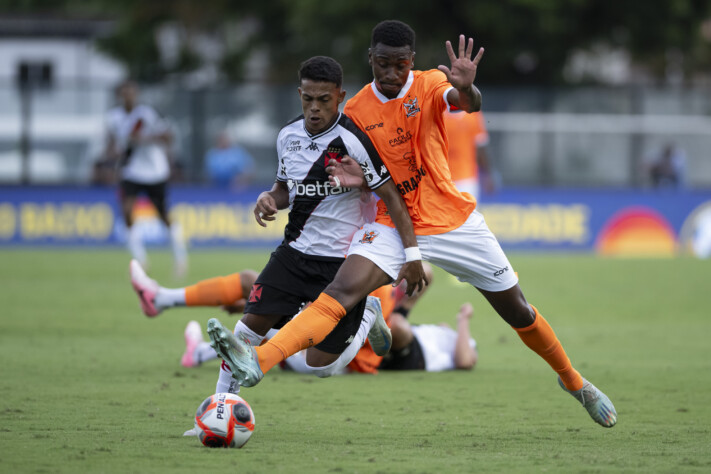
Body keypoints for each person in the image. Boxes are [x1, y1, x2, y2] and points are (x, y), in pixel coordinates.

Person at [216, 21, 617, 428]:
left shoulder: (428, 85)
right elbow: (330, 173)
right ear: (370, 60)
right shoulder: (352, 110)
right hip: (392, 222)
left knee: (518, 311)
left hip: (453, 221)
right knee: (340, 289)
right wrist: (326, 185)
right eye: (383, 64)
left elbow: (467, 102)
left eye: (401, 64)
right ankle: (259, 363)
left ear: (412, 62)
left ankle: (574, 381)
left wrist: (466, 87)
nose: (392, 74)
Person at [189, 56, 425, 395]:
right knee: (245, 331)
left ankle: (367, 314)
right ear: (300, 94)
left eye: (324, 100)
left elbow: (392, 197)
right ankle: (220, 406)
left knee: (321, 365)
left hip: (339, 266)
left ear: (340, 97)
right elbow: (285, 189)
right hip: (293, 254)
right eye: (307, 99)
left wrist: (411, 254)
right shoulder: (287, 135)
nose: (314, 108)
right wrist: (268, 198)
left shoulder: (356, 141)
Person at [104, 80, 188, 276]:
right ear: (120, 95)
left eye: (132, 92)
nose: (129, 96)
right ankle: (141, 261)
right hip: (131, 171)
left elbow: (168, 137)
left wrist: (142, 139)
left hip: (154, 172)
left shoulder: (147, 114)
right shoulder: (114, 118)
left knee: (163, 216)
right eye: (125, 93)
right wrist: (111, 160)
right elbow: (112, 144)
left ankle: (180, 258)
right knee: (126, 212)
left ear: (137, 94)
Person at [443, 109, 496, 200]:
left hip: (464, 179)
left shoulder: (473, 114)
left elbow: (480, 147)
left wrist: (487, 174)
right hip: (445, 179)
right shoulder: (438, 113)